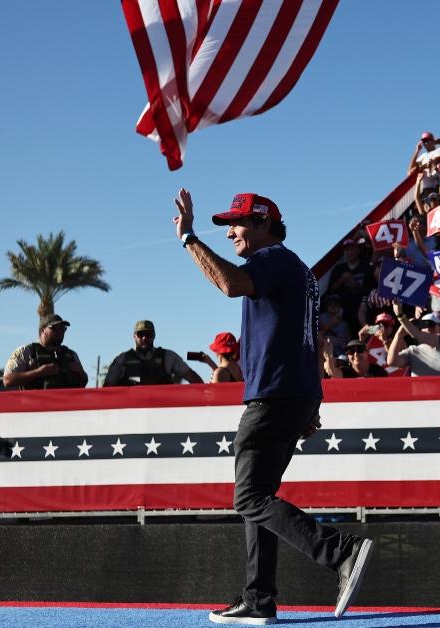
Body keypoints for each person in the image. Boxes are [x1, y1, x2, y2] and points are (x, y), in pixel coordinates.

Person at [173, 189, 372, 624]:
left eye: (237, 223)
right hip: (293, 395)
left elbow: (229, 284)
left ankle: (341, 551)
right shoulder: (297, 268)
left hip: (274, 397)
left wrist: (189, 238)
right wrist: (311, 400)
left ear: (264, 223)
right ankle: (258, 598)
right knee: (259, 495)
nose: (230, 232)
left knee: (248, 497)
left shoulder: (273, 261)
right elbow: (308, 339)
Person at [2, 314, 88, 390]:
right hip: (35, 407)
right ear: (42, 331)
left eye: (62, 329)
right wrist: (39, 372)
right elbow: (7, 381)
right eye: (54, 329)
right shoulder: (26, 352)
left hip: (64, 406)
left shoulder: (71, 355)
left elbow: (84, 382)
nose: (60, 332)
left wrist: (80, 371)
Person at [103, 320, 201, 386]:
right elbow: (107, 389)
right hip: (131, 412)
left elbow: (192, 376)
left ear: (154, 336)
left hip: (162, 410)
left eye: (148, 334)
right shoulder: (122, 360)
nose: (144, 338)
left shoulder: (168, 357)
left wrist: (207, 394)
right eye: (140, 334)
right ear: (134, 336)